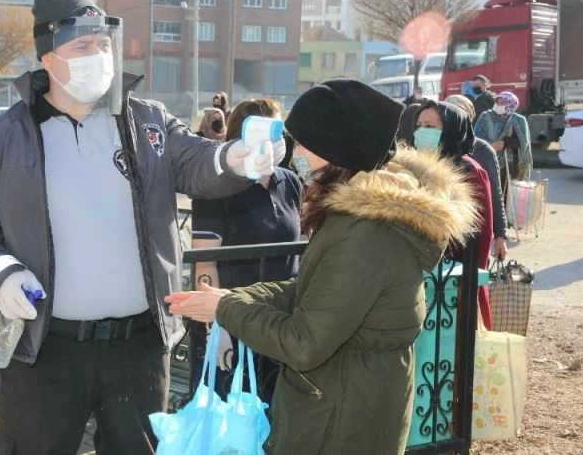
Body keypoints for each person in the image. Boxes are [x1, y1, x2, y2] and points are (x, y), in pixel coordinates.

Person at [0, 0, 279, 455]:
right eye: (82, 46)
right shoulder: (4, 137)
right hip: (46, 347)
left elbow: (196, 162)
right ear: (48, 58)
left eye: (104, 44)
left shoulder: (147, 122)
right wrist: (1, 275)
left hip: (138, 345)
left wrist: (234, 158)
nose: (99, 55)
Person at [166, 78, 479, 454]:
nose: (294, 153)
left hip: (340, 413)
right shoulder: (360, 216)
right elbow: (316, 288)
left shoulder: (364, 232)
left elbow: (305, 343)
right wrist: (234, 298)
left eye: (303, 144)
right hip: (347, 397)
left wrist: (227, 309)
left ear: (335, 149)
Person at [191, 97, 303, 403]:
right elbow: (205, 263)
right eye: (271, 133)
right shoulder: (216, 188)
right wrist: (215, 329)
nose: (278, 141)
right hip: (232, 324)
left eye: (281, 132)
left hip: (279, 326)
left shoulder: (291, 182)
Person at [413, 99, 494, 329]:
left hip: (454, 281)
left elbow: (480, 236)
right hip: (419, 278)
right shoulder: (415, 167)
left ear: (450, 129)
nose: (421, 132)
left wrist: (466, 280)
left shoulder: (470, 172)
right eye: (419, 126)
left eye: (430, 126)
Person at [445, 95, 508, 260]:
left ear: (469, 119)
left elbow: (495, 194)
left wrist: (500, 235)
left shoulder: (483, 150)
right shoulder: (437, 144)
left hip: (474, 233)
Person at [474, 90, 533, 189]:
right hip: (490, 162)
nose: (498, 105)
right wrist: (489, 146)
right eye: (497, 102)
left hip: (512, 166)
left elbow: (523, 143)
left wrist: (505, 143)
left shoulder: (519, 120)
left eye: (502, 103)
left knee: (510, 194)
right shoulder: (486, 116)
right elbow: (477, 136)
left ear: (511, 105)